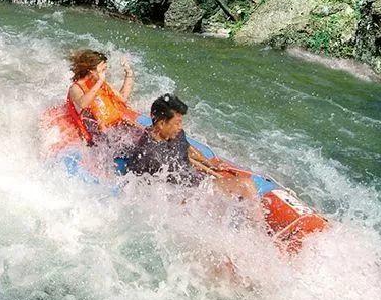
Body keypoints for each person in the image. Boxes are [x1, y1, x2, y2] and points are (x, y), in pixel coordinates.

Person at [121, 94, 256, 199]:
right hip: (188, 196)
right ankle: (258, 231)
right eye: (177, 123)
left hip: (195, 187)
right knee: (246, 185)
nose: (180, 127)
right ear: (161, 124)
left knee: (243, 187)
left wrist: (210, 165)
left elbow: (186, 148)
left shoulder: (175, 134)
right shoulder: (148, 154)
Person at [66, 49, 136, 145]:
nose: (105, 73)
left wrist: (129, 74)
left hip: (114, 127)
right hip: (98, 136)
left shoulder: (100, 83)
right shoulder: (75, 88)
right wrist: (100, 81)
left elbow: (122, 98)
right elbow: (83, 103)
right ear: (91, 71)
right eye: (102, 70)